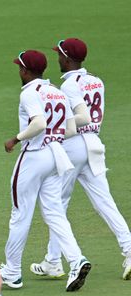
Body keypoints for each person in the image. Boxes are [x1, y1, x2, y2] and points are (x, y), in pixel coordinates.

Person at [29, 38, 131, 281]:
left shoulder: (69, 86)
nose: (58, 60)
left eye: (60, 56)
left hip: (75, 146)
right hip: (95, 144)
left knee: (56, 203)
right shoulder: (96, 81)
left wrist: (58, 132)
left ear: (67, 58)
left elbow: (79, 119)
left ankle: (55, 261)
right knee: (105, 202)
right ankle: (129, 249)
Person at [0, 50, 91, 292]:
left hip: (33, 157)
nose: (19, 71)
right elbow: (70, 128)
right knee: (55, 213)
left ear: (26, 71)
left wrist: (15, 139)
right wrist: (53, 135)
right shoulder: (57, 92)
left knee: (20, 214)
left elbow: (38, 123)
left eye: (20, 67)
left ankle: (12, 272)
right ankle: (76, 259)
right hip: (55, 157)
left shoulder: (30, 93)